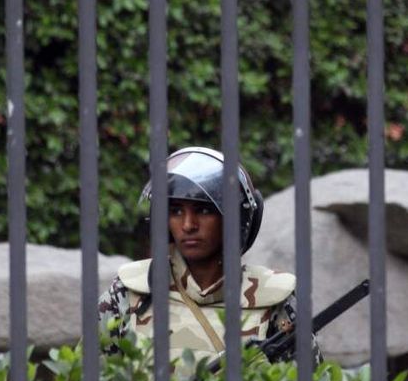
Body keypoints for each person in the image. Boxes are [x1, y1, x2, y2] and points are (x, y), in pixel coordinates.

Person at [98, 146, 320, 367]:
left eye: (204, 211)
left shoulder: (273, 299)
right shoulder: (130, 292)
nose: (188, 225)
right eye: (176, 211)